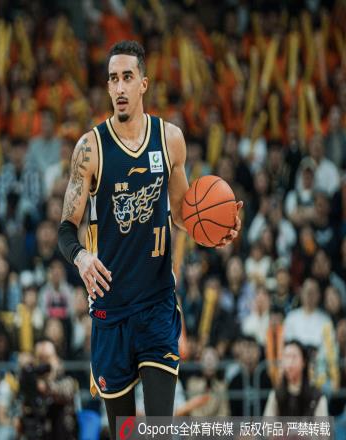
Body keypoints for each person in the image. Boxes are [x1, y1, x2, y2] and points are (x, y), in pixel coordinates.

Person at [57, 40, 242, 439]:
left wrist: (215, 232)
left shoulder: (169, 138)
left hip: (157, 302)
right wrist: (81, 258)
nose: (119, 87)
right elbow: (65, 228)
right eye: (113, 79)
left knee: (159, 430)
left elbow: (184, 214)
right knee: (124, 433)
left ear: (144, 83)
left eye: (127, 77)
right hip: (110, 309)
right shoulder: (90, 148)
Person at [264, 340, 328, 416]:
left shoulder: (316, 396)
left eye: (294, 357)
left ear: (304, 362)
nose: (290, 362)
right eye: (286, 357)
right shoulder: (275, 395)